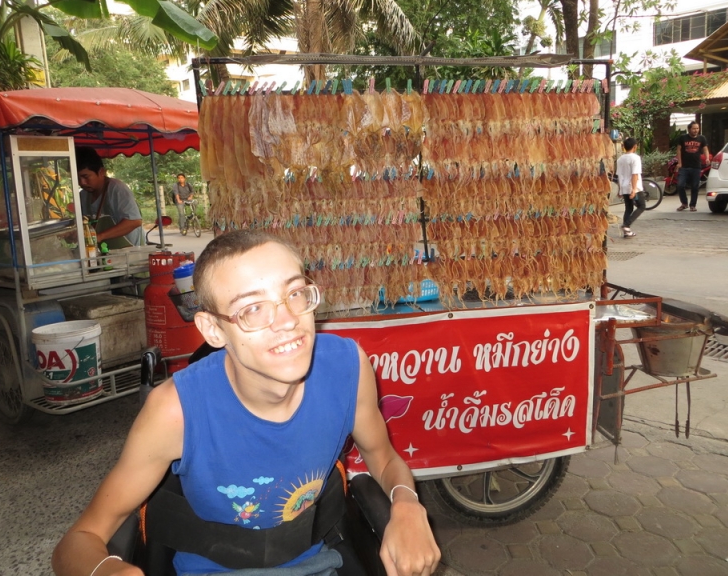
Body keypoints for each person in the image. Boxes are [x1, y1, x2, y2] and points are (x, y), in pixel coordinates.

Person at [52, 229, 440, 576]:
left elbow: (384, 458)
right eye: (253, 308)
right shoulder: (177, 412)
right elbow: (78, 541)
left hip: (318, 564)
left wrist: (407, 506)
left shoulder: (346, 368)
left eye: (294, 293)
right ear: (212, 329)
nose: (287, 320)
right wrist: (106, 571)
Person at [76, 146, 144, 247]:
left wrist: (99, 236)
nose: (82, 183)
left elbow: (134, 221)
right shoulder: (83, 195)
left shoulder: (116, 189)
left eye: (86, 177)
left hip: (128, 253)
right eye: (78, 178)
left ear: (101, 172)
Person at [675, 122, 710, 212]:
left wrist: (707, 158)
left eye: (697, 128)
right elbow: (678, 150)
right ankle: (684, 203)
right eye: (694, 128)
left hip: (696, 166)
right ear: (689, 129)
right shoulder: (683, 138)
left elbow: (705, 149)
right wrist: (679, 163)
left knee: (695, 186)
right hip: (684, 167)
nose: (696, 130)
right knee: (680, 185)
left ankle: (692, 205)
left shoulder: (702, 138)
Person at [616, 137, 644, 238]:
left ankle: (626, 232)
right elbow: (635, 174)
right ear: (635, 147)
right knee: (642, 206)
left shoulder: (620, 159)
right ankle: (626, 225)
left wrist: (619, 190)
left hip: (623, 186)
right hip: (633, 186)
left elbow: (619, 175)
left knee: (628, 208)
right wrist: (634, 189)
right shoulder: (635, 158)